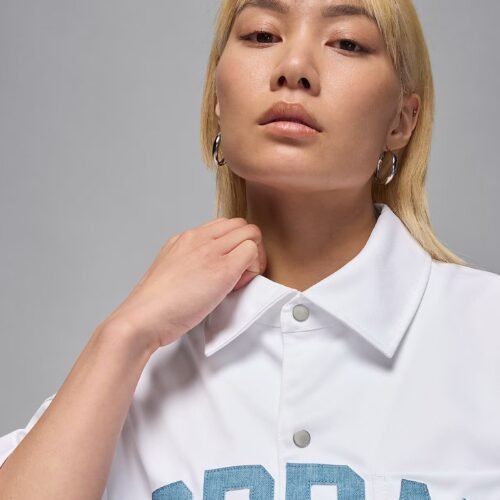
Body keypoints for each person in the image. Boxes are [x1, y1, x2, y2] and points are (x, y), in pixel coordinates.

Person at [1, 0, 499, 498]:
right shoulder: (131, 369)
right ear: (217, 100)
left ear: (402, 121)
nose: (294, 68)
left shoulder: (485, 332)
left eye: (347, 43)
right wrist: (123, 337)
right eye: (262, 35)